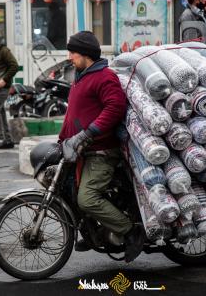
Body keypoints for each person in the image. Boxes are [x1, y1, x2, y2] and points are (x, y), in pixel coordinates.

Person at [59, 31, 144, 263]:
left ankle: (131, 231)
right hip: (82, 149)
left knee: (86, 198)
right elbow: (73, 114)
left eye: (73, 52)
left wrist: (88, 134)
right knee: (68, 191)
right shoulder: (82, 75)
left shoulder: (105, 77)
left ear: (85, 54)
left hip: (101, 151)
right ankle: (94, 232)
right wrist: (64, 140)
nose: (69, 57)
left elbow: (114, 109)